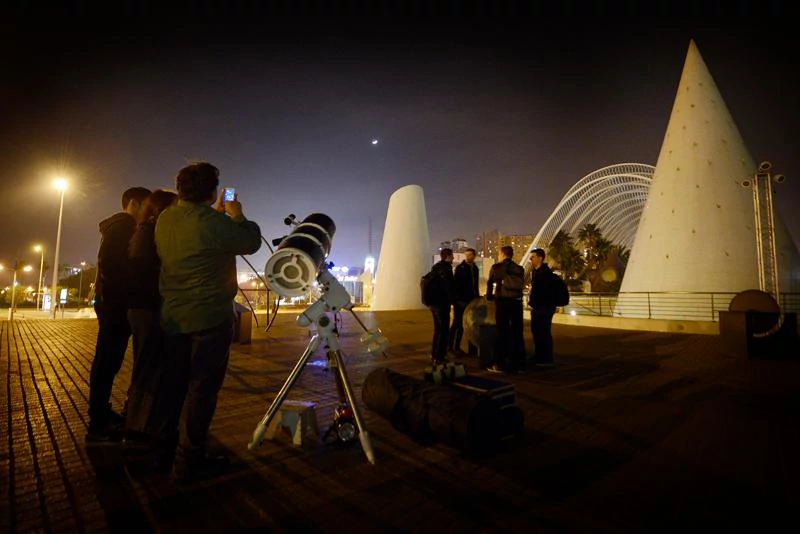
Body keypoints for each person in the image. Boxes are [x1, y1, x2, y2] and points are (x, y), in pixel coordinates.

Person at [155, 162, 261, 483]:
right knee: (202, 390)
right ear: (214, 191)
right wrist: (237, 213)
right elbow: (251, 242)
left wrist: (215, 213)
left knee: (174, 386)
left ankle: (164, 449)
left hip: (172, 316)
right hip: (209, 318)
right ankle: (190, 460)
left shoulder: (166, 217)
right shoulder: (214, 223)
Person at [86, 186, 152, 443]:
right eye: (147, 205)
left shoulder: (117, 226)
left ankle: (101, 414)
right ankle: (99, 420)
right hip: (116, 305)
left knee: (107, 361)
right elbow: (112, 265)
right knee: (107, 361)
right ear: (134, 203)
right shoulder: (124, 225)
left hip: (112, 303)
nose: (150, 211)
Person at [124, 189, 178, 458]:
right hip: (149, 308)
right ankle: (139, 431)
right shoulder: (153, 231)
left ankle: (138, 424)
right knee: (148, 368)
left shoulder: (145, 228)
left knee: (146, 366)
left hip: (143, 308)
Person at [485, 245, 526, 373]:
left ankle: (499, 363)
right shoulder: (519, 269)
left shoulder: (496, 268)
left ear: (502, 254)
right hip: (517, 303)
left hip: (503, 303)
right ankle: (518, 363)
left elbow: (490, 283)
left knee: (501, 331)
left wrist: (490, 297)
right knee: (517, 333)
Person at [528, 248, 557, 367]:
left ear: (540, 258)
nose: (530, 260)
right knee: (536, 332)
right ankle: (539, 356)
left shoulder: (545, 273)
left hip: (544, 307)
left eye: (532, 257)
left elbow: (544, 292)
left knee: (544, 332)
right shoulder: (536, 272)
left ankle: (547, 359)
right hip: (537, 307)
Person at [426, 248, 455, 365]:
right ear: (448, 256)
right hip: (442, 304)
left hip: (434, 304)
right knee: (444, 331)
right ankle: (440, 356)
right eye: (452, 256)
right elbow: (448, 287)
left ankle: (434, 355)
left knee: (438, 330)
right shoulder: (446, 269)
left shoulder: (436, 267)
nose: (453, 258)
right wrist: (453, 299)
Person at [449, 247, 480, 356]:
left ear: (474, 256)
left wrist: (477, 296)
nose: (467, 257)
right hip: (461, 301)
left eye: (469, 255)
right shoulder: (460, 268)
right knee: (457, 324)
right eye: (466, 255)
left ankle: (462, 348)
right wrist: (456, 300)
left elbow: (475, 284)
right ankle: (451, 347)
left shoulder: (475, 268)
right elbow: (455, 284)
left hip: (472, 300)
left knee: (468, 325)